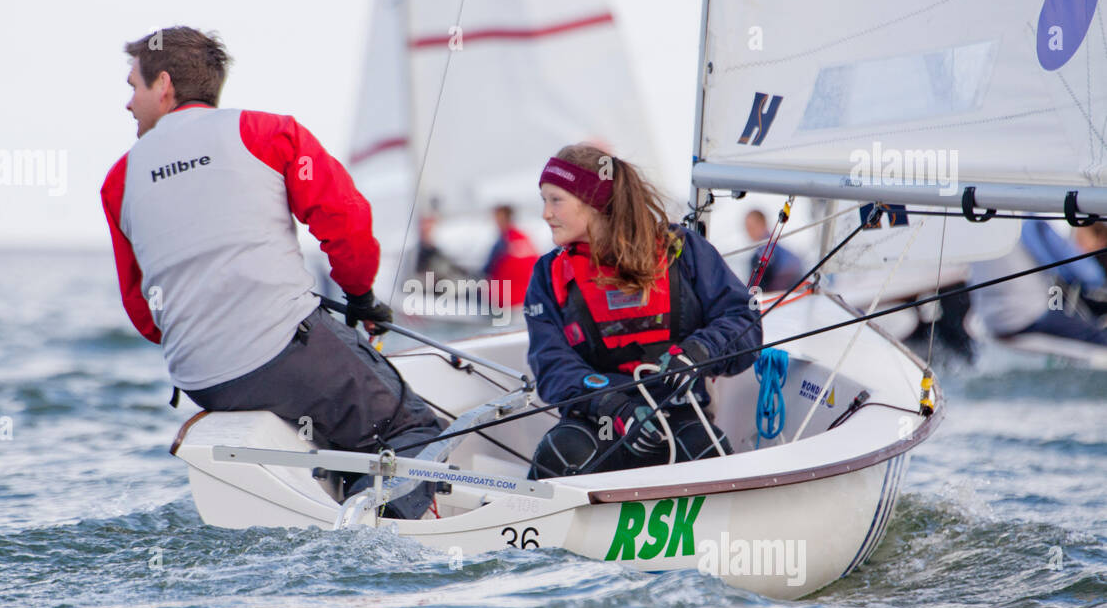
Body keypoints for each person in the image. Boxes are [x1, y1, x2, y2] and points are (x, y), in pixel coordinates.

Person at [99, 26, 445, 519]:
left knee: (337, 410)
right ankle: (383, 543)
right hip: (285, 355)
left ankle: (346, 495)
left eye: (132, 86)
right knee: (409, 430)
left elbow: (143, 311)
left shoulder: (118, 181)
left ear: (165, 86)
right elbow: (345, 222)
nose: (128, 104)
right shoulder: (268, 132)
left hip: (201, 378)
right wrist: (361, 296)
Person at [523, 145, 762, 478]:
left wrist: (698, 352)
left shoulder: (684, 251)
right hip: (600, 424)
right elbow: (551, 365)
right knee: (562, 455)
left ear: (594, 202)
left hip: (680, 416)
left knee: (709, 452)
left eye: (556, 200)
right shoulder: (548, 275)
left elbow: (743, 321)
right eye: (544, 201)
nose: (546, 213)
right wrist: (613, 405)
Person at [971, 219, 1107, 345]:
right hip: (1028, 318)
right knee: (1096, 334)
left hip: (989, 321)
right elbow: (1085, 275)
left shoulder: (978, 226)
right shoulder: (1032, 222)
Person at [482, 205, 539, 307]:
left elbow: (489, 270)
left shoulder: (504, 241)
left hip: (505, 297)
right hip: (528, 295)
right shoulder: (522, 237)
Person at [744, 208, 806, 292]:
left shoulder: (766, 248)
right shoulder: (768, 246)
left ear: (763, 224)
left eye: (752, 227)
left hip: (789, 282)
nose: (749, 232)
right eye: (747, 228)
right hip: (792, 281)